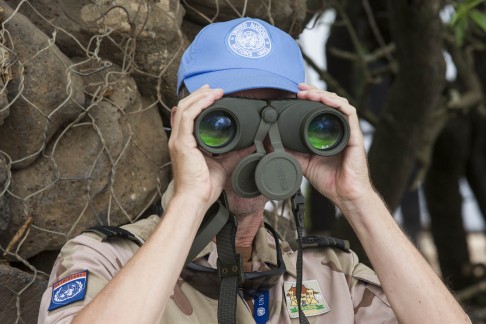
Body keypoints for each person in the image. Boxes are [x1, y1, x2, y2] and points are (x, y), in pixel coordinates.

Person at [38, 18, 469, 323]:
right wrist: (192, 200)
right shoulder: (109, 259)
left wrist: (357, 198)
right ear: (182, 125)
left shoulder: (327, 273)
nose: (254, 143)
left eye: (277, 117)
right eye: (224, 121)